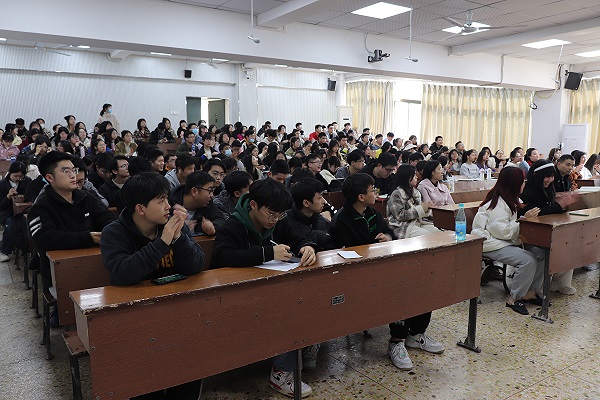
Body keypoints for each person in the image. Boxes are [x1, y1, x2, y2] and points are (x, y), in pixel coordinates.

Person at [100, 172, 204, 400]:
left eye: (167, 198)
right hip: (134, 318)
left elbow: (197, 265)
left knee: (192, 359)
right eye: (161, 201)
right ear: (140, 209)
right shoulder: (114, 232)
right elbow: (122, 274)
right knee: (145, 378)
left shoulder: (172, 226)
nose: (168, 206)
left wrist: (178, 238)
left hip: (176, 312)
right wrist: (163, 242)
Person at [211, 178, 317, 398]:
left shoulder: (278, 222)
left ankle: (306, 348)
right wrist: (267, 253)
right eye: (271, 214)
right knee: (288, 310)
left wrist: (307, 247)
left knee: (305, 299)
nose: (275, 220)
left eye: (280, 215)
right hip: (238, 296)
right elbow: (222, 257)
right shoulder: (233, 226)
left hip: (271, 290)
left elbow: (297, 237)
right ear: (253, 205)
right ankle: (282, 375)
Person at [331, 173, 443, 371]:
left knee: (422, 281)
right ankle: (396, 341)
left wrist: (388, 238)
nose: (375, 193)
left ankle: (416, 335)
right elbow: (346, 255)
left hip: (382, 266)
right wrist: (374, 246)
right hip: (359, 276)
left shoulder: (371, 212)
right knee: (399, 289)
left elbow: (389, 232)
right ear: (360, 197)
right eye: (372, 190)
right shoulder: (342, 220)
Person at [27, 152, 116, 291]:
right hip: (61, 274)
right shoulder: (40, 208)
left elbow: (108, 219)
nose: (73, 175)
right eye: (65, 171)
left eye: (73, 170)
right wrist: (89, 238)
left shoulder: (87, 198)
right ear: (49, 177)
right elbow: (44, 239)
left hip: (97, 263)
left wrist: (108, 232)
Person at [472, 167, 545, 315]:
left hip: (502, 240)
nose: (524, 184)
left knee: (540, 252)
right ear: (514, 184)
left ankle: (530, 292)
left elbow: (506, 229)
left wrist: (522, 220)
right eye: (522, 181)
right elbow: (501, 231)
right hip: (489, 243)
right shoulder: (498, 203)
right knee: (527, 260)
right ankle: (514, 298)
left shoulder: (509, 198)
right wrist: (523, 221)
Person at [520, 159, 579, 295]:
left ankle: (561, 282)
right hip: (531, 235)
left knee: (569, 245)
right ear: (538, 176)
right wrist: (559, 206)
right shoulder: (526, 193)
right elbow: (537, 213)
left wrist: (562, 206)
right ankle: (538, 287)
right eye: (547, 176)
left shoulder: (548, 189)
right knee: (544, 251)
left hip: (548, 231)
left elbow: (549, 210)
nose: (550, 180)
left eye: (552, 176)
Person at [387, 165, 437, 239]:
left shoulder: (416, 192)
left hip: (418, 222)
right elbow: (399, 215)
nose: (416, 177)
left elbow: (421, 211)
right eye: (414, 175)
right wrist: (421, 209)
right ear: (407, 177)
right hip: (403, 225)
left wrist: (426, 209)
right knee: (428, 237)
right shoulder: (396, 194)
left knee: (439, 234)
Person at [284, 177, 335, 251]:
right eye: (319, 198)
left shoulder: (321, 220)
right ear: (306, 203)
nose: (324, 201)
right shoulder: (286, 223)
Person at [0, 162, 32, 261]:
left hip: (24, 211)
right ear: (10, 173)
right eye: (15, 176)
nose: (17, 178)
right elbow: (1, 206)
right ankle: (4, 251)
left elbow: (32, 195)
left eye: (20, 176)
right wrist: (8, 196)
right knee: (10, 223)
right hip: (7, 212)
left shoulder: (27, 181)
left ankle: (27, 248)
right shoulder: (2, 184)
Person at [170, 171, 216, 236]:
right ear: (194, 191)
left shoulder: (208, 203)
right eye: (209, 191)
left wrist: (212, 228)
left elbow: (221, 220)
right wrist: (180, 227)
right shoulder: (170, 203)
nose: (212, 195)